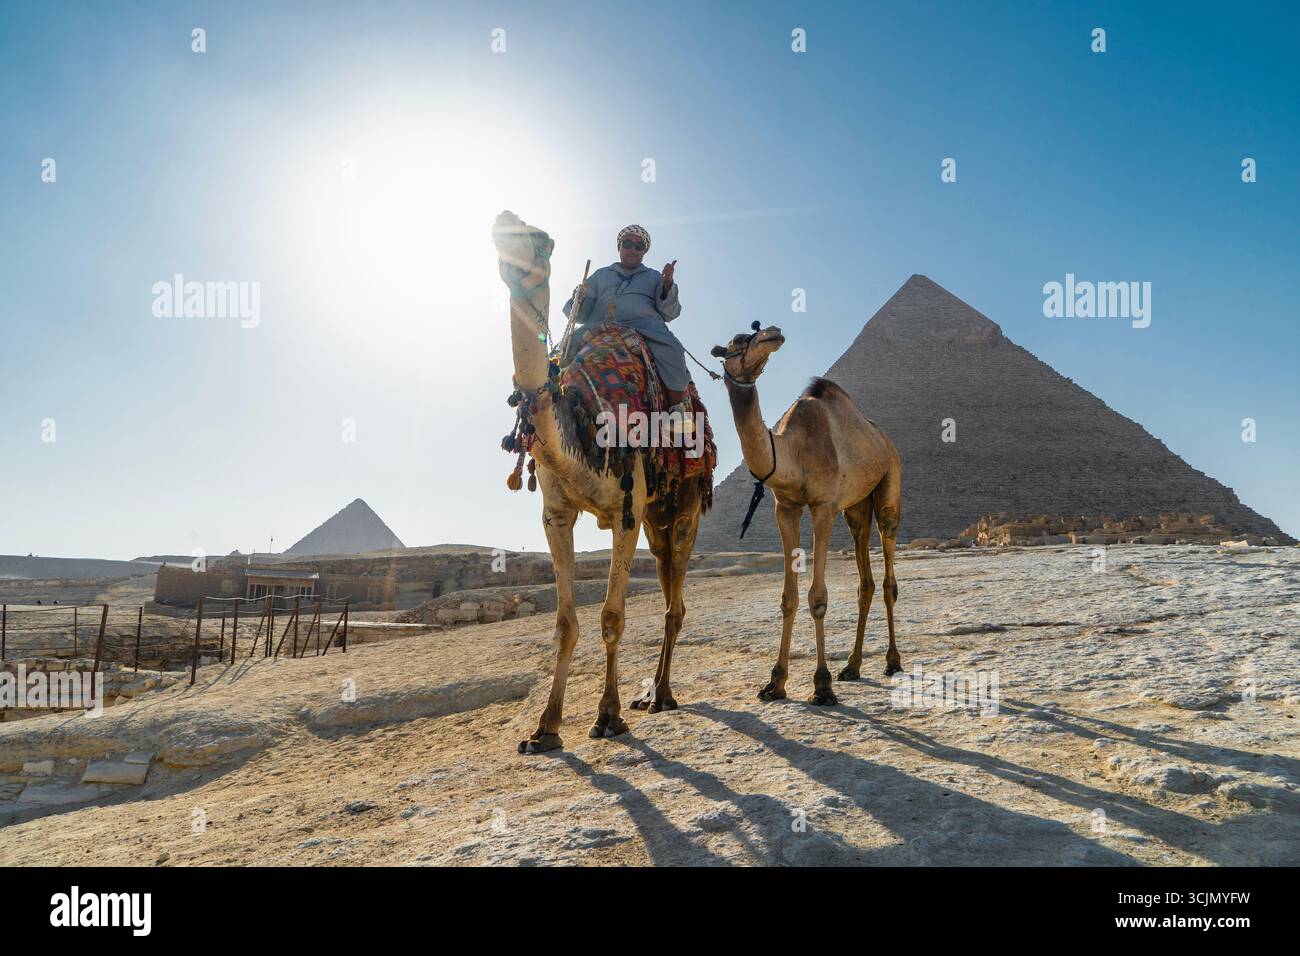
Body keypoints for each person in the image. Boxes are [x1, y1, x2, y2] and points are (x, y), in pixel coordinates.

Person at [563, 224, 694, 429]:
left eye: (638, 246)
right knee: (560, 354)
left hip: (645, 328)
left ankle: (677, 410)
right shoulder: (600, 275)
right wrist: (578, 298)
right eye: (628, 244)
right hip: (600, 324)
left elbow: (669, 312)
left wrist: (667, 284)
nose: (632, 250)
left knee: (674, 351)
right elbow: (581, 314)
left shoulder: (654, 277)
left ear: (643, 252)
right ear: (620, 247)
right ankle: (544, 402)